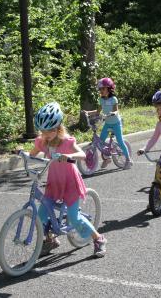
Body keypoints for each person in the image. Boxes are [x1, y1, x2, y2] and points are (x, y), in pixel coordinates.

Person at [31, 102, 107, 257]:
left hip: (70, 183)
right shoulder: (43, 140)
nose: (45, 134)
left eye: (48, 131)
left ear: (58, 127)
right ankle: (50, 239)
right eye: (42, 131)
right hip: (54, 182)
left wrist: (69, 156)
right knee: (41, 215)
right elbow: (32, 154)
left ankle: (98, 238)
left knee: (74, 217)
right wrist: (22, 155)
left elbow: (82, 154)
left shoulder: (66, 141)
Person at [83, 77, 133, 169]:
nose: (101, 90)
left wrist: (113, 113)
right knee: (100, 143)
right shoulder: (101, 100)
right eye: (100, 89)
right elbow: (98, 111)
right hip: (107, 123)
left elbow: (116, 110)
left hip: (116, 123)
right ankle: (107, 159)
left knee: (120, 142)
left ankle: (128, 160)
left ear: (109, 89)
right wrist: (88, 112)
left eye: (103, 88)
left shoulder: (113, 99)